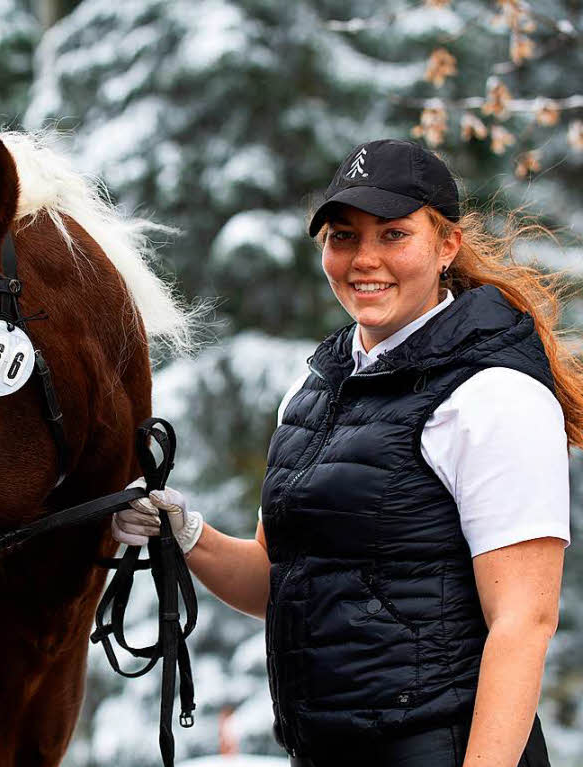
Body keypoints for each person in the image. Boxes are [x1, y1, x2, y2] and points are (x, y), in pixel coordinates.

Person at [113, 138, 580, 767]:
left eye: (392, 235)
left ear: (447, 246)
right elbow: (274, 581)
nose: (365, 260)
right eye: (342, 237)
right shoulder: (315, 391)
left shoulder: (494, 395)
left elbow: (524, 623)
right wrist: (184, 530)